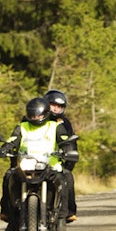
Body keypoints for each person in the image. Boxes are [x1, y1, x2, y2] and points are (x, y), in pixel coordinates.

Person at [0, 97, 70, 231]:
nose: (35, 118)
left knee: (64, 179)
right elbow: (13, 140)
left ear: (46, 113)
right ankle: (10, 216)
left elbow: (65, 140)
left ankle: (61, 218)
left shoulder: (55, 126)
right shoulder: (22, 126)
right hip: (26, 165)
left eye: (39, 115)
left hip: (51, 166)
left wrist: (67, 150)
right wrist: (4, 149)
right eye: (32, 115)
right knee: (9, 177)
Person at [44, 89, 78, 222]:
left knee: (67, 177)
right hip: (31, 161)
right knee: (11, 176)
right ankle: (10, 214)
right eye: (53, 105)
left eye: (59, 106)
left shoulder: (64, 123)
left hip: (54, 162)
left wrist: (68, 163)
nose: (56, 109)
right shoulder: (31, 119)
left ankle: (68, 212)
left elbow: (71, 144)